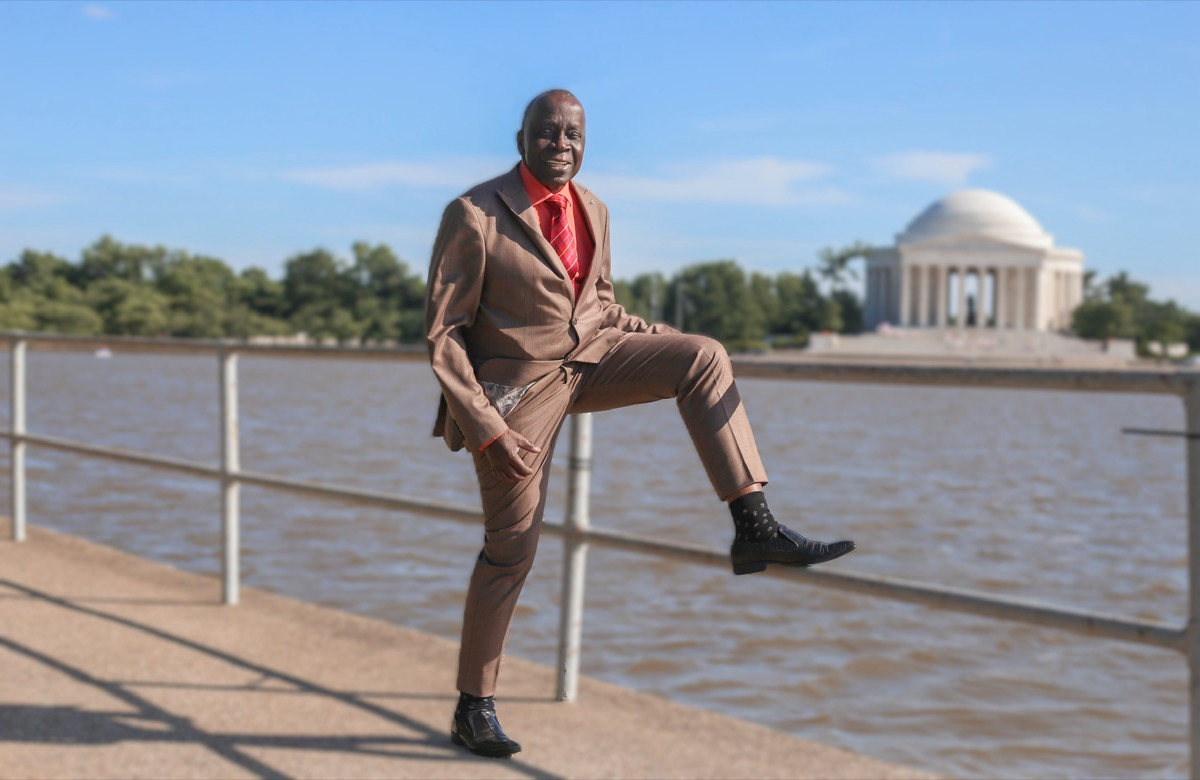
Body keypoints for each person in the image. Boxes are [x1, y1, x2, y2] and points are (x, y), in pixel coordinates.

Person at [425, 89, 855, 759]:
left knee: (703, 355)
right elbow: (445, 336)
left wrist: (661, 340)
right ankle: (473, 705)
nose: (561, 144)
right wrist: (487, 426)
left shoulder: (594, 209)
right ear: (521, 139)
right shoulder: (475, 213)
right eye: (547, 133)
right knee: (511, 549)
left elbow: (598, 309)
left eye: (573, 134)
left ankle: (755, 527)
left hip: (591, 363)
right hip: (515, 395)